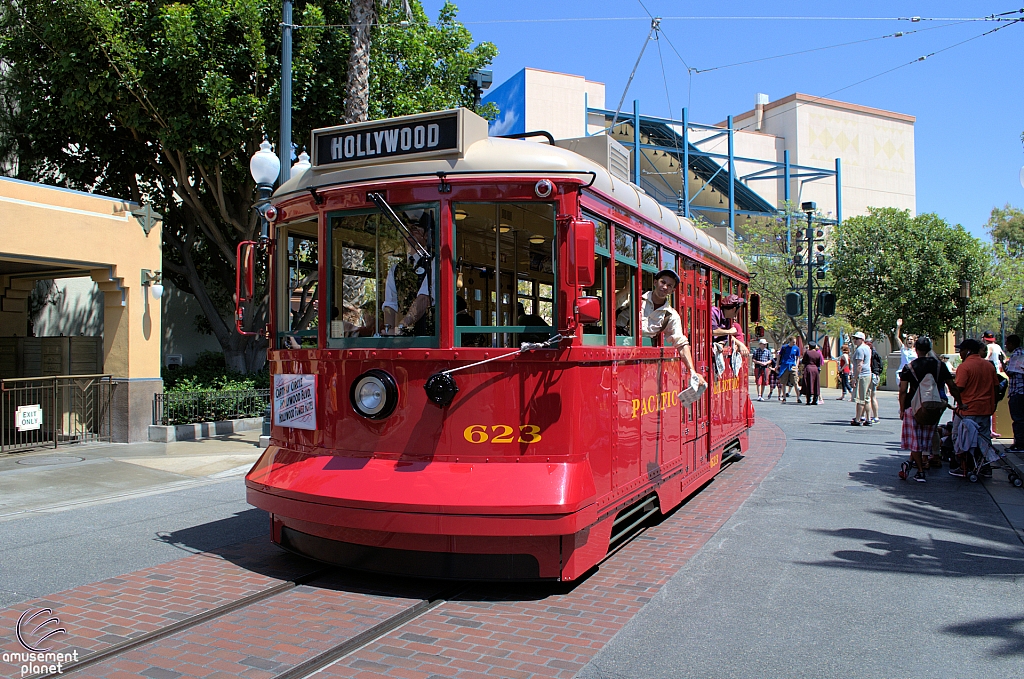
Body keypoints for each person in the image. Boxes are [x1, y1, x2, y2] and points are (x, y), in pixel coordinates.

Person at [899, 337, 959, 482]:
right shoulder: (939, 365)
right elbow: (951, 385)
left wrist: (902, 409)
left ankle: (919, 471)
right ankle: (914, 462)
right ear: (930, 348)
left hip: (913, 406)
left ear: (916, 349)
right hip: (934, 405)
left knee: (915, 440)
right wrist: (960, 403)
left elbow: (902, 390)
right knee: (927, 436)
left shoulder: (910, 367)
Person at [640, 269, 704, 386]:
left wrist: (692, 371)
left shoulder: (671, 315)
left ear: (673, 291)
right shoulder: (635, 299)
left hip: (642, 357)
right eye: (662, 282)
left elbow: (681, 342)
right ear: (655, 282)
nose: (664, 287)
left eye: (669, 286)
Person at [382, 214, 434, 336]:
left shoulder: (435, 263)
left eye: (415, 230)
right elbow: (390, 303)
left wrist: (400, 327)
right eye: (407, 229)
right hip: (404, 337)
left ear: (427, 235)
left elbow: (423, 299)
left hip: (429, 337)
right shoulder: (395, 269)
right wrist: (388, 331)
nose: (410, 232)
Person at [954, 338, 1000, 474]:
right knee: (984, 440)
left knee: (961, 439)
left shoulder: (964, 367)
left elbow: (959, 388)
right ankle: (984, 467)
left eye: (961, 350)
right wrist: (994, 404)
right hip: (985, 410)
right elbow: (996, 387)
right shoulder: (989, 366)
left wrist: (960, 403)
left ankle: (965, 467)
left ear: (968, 351)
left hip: (968, 410)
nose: (960, 353)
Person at [1005, 334, 1023, 453]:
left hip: (1017, 391)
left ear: (1012, 344)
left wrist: (1003, 364)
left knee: (1018, 419)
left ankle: (1020, 444)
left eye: (1007, 344)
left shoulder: (1016, 355)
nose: (1006, 346)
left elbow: (1011, 372)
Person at [850, 331, 873, 426]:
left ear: (862, 340)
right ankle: (868, 418)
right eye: (854, 338)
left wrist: (854, 378)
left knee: (860, 399)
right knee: (867, 398)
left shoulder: (860, 350)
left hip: (862, 375)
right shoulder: (867, 348)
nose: (855, 340)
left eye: (857, 339)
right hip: (868, 374)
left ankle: (858, 419)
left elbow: (859, 365)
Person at [893, 318, 917, 387]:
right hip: (903, 371)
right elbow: (896, 338)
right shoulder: (903, 349)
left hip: (913, 372)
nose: (909, 340)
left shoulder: (916, 350)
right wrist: (898, 327)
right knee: (903, 390)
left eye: (911, 339)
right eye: (908, 339)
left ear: (914, 341)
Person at [776, 336, 800, 403]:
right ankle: (784, 397)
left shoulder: (796, 348)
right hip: (785, 365)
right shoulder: (784, 347)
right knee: (783, 382)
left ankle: (798, 398)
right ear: (790, 341)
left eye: (795, 342)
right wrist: (777, 365)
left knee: (795, 382)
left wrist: (797, 366)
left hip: (792, 366)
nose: (794, 343)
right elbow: (779, 356)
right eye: (793, 342)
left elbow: (798, 357)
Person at [868, 338, 883, 423]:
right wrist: (878, 372)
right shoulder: (876, 354)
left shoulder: (869, 355)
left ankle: (868, 416)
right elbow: (881, 365)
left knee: (868, 397)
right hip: (875, 375)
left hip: (871, 374)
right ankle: (876, 416)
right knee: (873, 397)